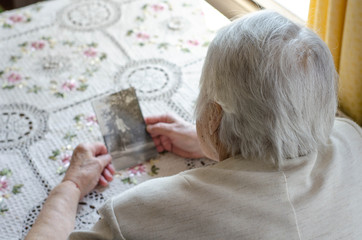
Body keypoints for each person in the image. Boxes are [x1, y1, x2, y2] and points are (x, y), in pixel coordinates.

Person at [26, 10, 362, 240]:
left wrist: (68, 188)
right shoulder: (352, 138)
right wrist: (213, 143)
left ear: (213, 116)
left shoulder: (137, 214)